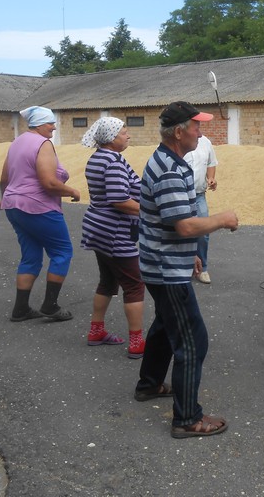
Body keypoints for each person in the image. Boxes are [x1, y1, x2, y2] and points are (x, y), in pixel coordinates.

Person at [134, 101, 239, 439]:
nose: (201, 132)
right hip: (166, 270)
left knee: (166, 325)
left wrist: (191, 253)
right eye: (196, 126)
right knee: (192, 340)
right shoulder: (168, 169)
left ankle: (149, 384)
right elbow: (183, 225)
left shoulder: (170, 161)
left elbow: (172, 222)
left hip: (162, 262)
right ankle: (186, 419)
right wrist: (222, 220)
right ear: (179, 132)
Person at [0, 106, 80, 322]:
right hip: (38, 206)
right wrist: (72, 190)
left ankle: (21, 309)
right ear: (39, 124)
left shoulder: (17, 142)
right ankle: (50, 306)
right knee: (62, 251)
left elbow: (4, 178)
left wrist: (3, 198)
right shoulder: (43, 144)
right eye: (50, 123)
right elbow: (49, 183)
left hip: (14, 206)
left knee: (31, 256)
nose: (54, 127)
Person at [80, 117, 146, 359]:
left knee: (108, 281)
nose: (128, 135)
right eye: (124, 131)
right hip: (114, 231)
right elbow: (119, 200)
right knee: (134, 285)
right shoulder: (113, 161)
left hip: (98, 228)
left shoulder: (97, 158)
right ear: (111, 138)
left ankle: (96, 331)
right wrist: (152, 212)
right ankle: (137, 341)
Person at [184, 134, 218, 284]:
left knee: (203, 232)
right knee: (180, 230)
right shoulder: (176, 141)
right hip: (180, 196)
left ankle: (202, 269)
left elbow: (211, 162)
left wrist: (211, 178)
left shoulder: (205, 142)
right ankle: (183, 267)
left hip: (199, 195)